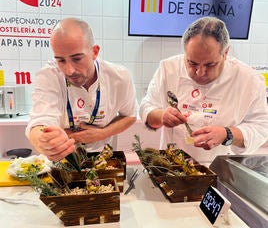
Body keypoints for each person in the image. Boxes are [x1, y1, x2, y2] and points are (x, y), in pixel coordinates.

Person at [139, 16, 268, 165]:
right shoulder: (168, 69)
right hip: (172, 167)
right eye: (192, 63)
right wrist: (162, 116)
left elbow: (261, 127)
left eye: (210, 65)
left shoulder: (249, 80)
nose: (199, 72)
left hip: (222, 170)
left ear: (225, 53)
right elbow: (146, 108)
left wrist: (227, 134)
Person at [26, 18, 137, 161]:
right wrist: (43, 141)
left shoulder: (119, 76)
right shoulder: (49, 75)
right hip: (64, 160)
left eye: (77, 59)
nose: (69, 70)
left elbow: (130, 115)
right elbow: (39, 122)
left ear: (94, 52)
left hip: (104, 158)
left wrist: (102, 133)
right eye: (61, 60)